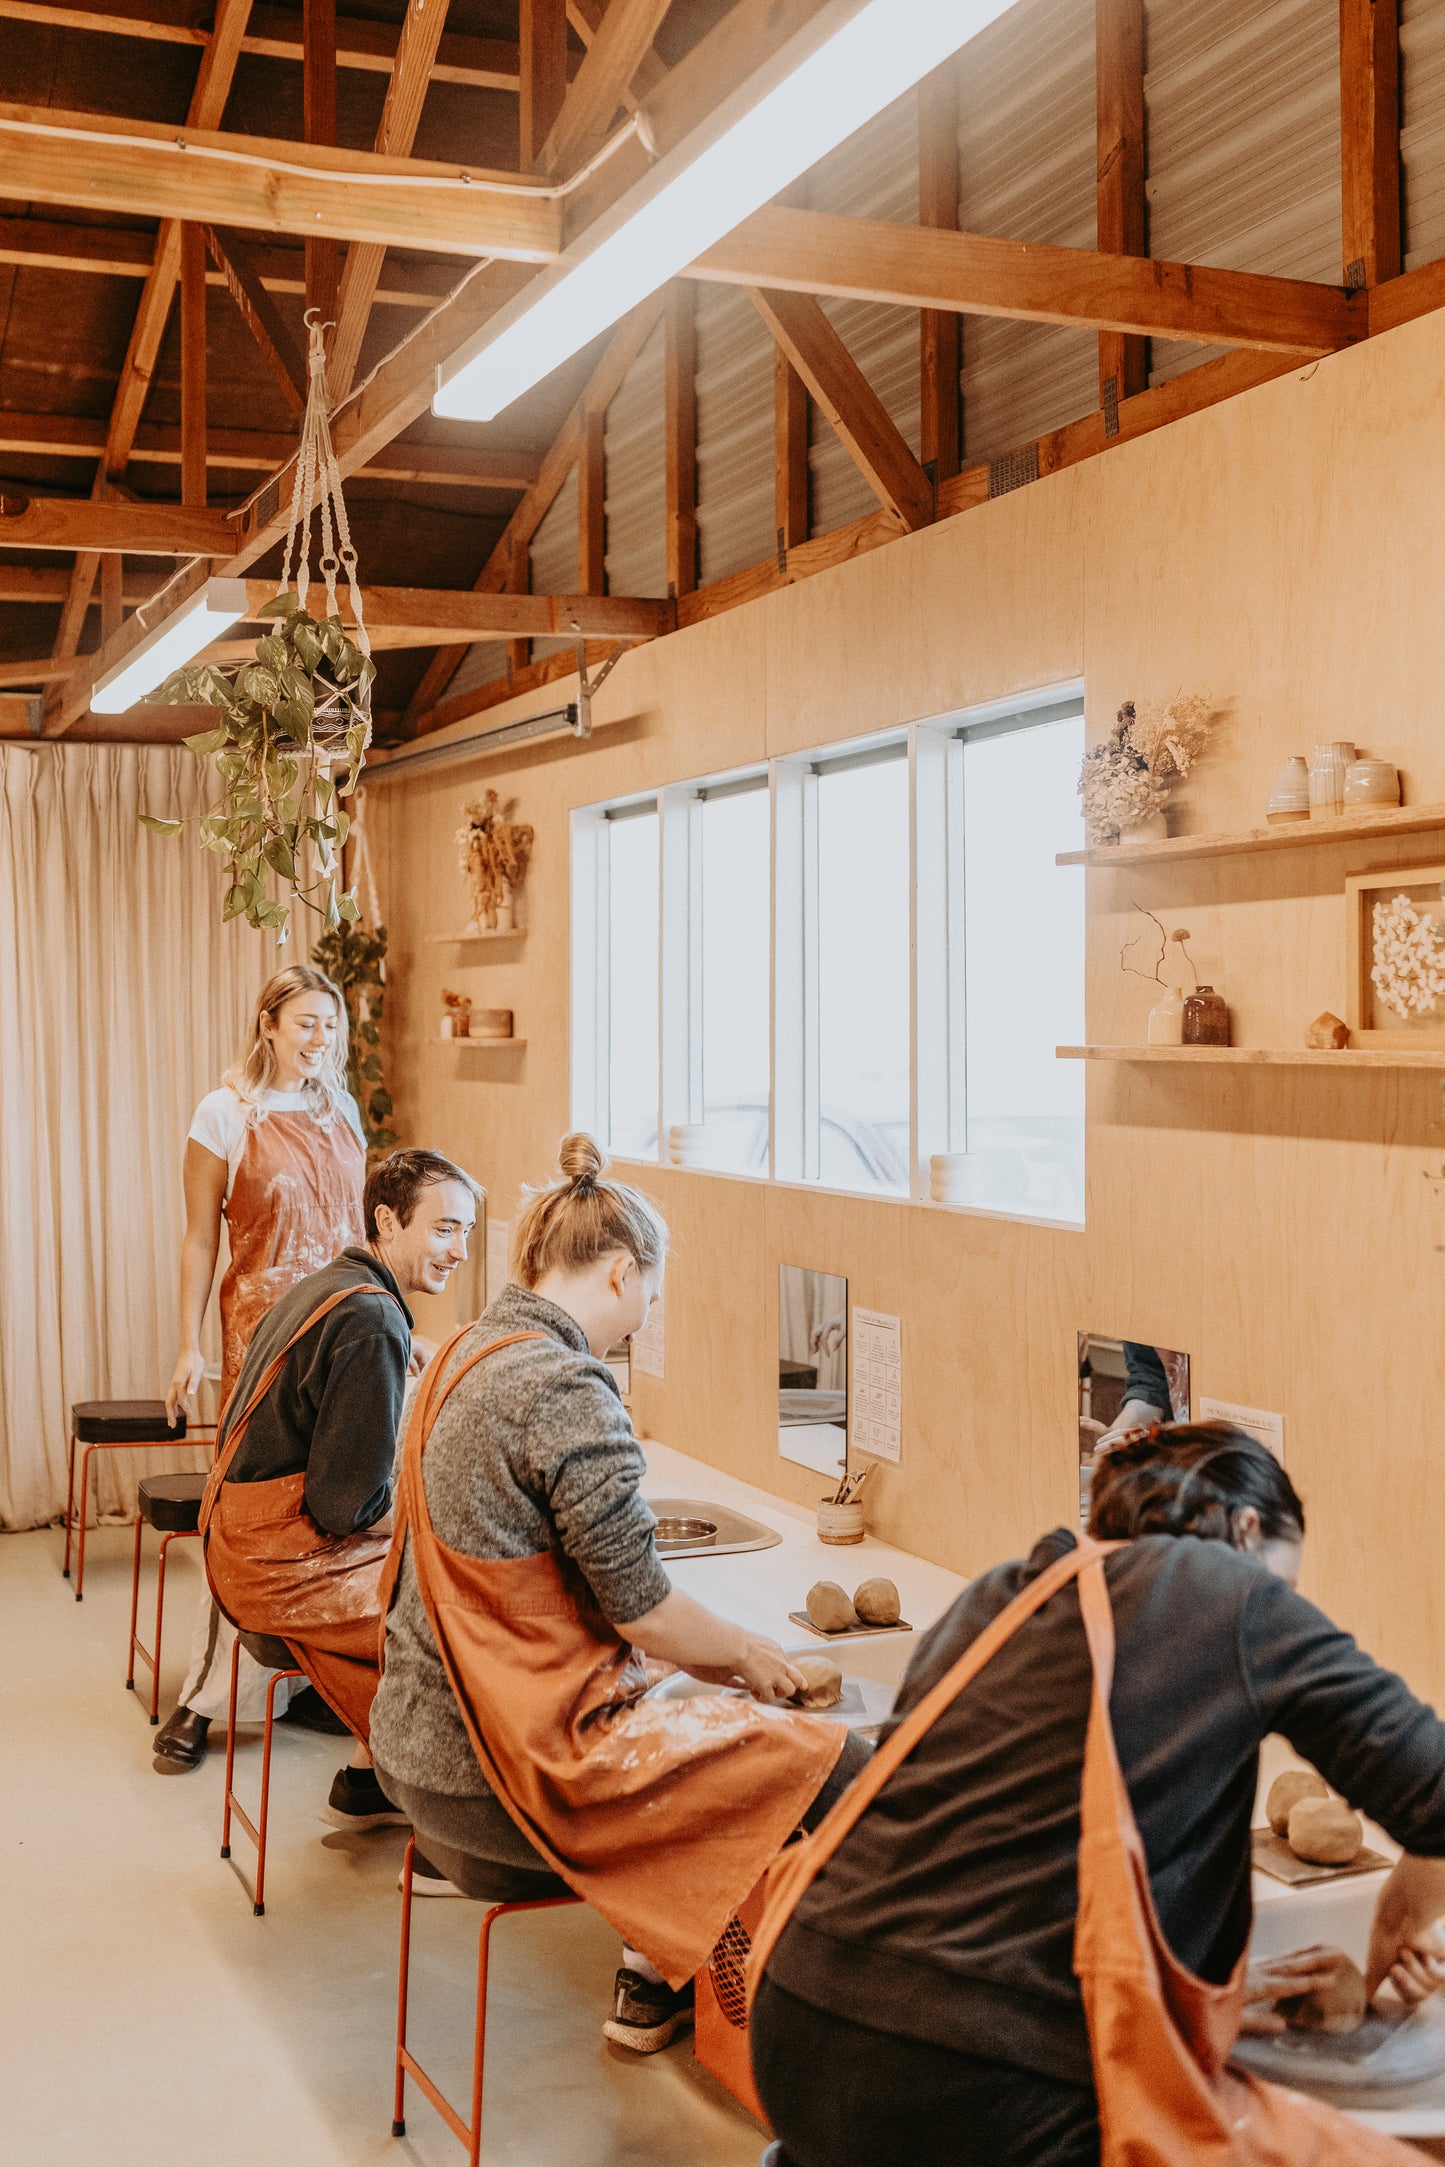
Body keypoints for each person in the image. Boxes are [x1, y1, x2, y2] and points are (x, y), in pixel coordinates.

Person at [749, 1425, 1445, 2167]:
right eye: (1286, 1584)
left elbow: (974, 1871)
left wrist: (1177, 2012)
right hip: (978, 2084)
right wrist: (1400, 1921)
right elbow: (1433, 1790)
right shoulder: (1229, 1590)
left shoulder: (998, 1597)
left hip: (798, 2024)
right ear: (1245, 1530)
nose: (1285, 1605)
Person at [369, 1133, 871, 2053]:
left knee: (703, 1709)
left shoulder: (461, 1354)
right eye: (648, 1294)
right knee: (825, 1764)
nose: (642, 1316)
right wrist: (754, 1655)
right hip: (495, 1781)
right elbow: (642, 1611)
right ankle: (818, 2045)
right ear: (616, 1271)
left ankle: (657, 1967)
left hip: (412, 1753)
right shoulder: (561, 1383)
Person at [201, 1150, 479, 1830]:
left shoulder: (336, 1281)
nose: (461, 1250)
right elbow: (344, 1508)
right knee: (458, 1620)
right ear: (387, 1219)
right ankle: (451, 1828)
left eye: (467, 1231)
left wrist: (398, 1341)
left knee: (429, 1585)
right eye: (445, 1229)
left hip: (233, 1535)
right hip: (273, 1563)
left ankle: (368, 1781)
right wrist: (449, 1507)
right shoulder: (371, 1318)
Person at [155, 965, 367, 1774]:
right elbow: (200, 1237)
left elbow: (358, 1227)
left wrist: (393, 1323)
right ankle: (205, 1697)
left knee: (332, 1513)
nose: (321, 1039)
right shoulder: (225, 1113)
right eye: (307, 1023)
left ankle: (304, 1676)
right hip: (264, 1340)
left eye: (331, 1025)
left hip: (345, 1337)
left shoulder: (338, 1108)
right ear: (269, 1024)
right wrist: (188, 1343)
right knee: (248, 1519)